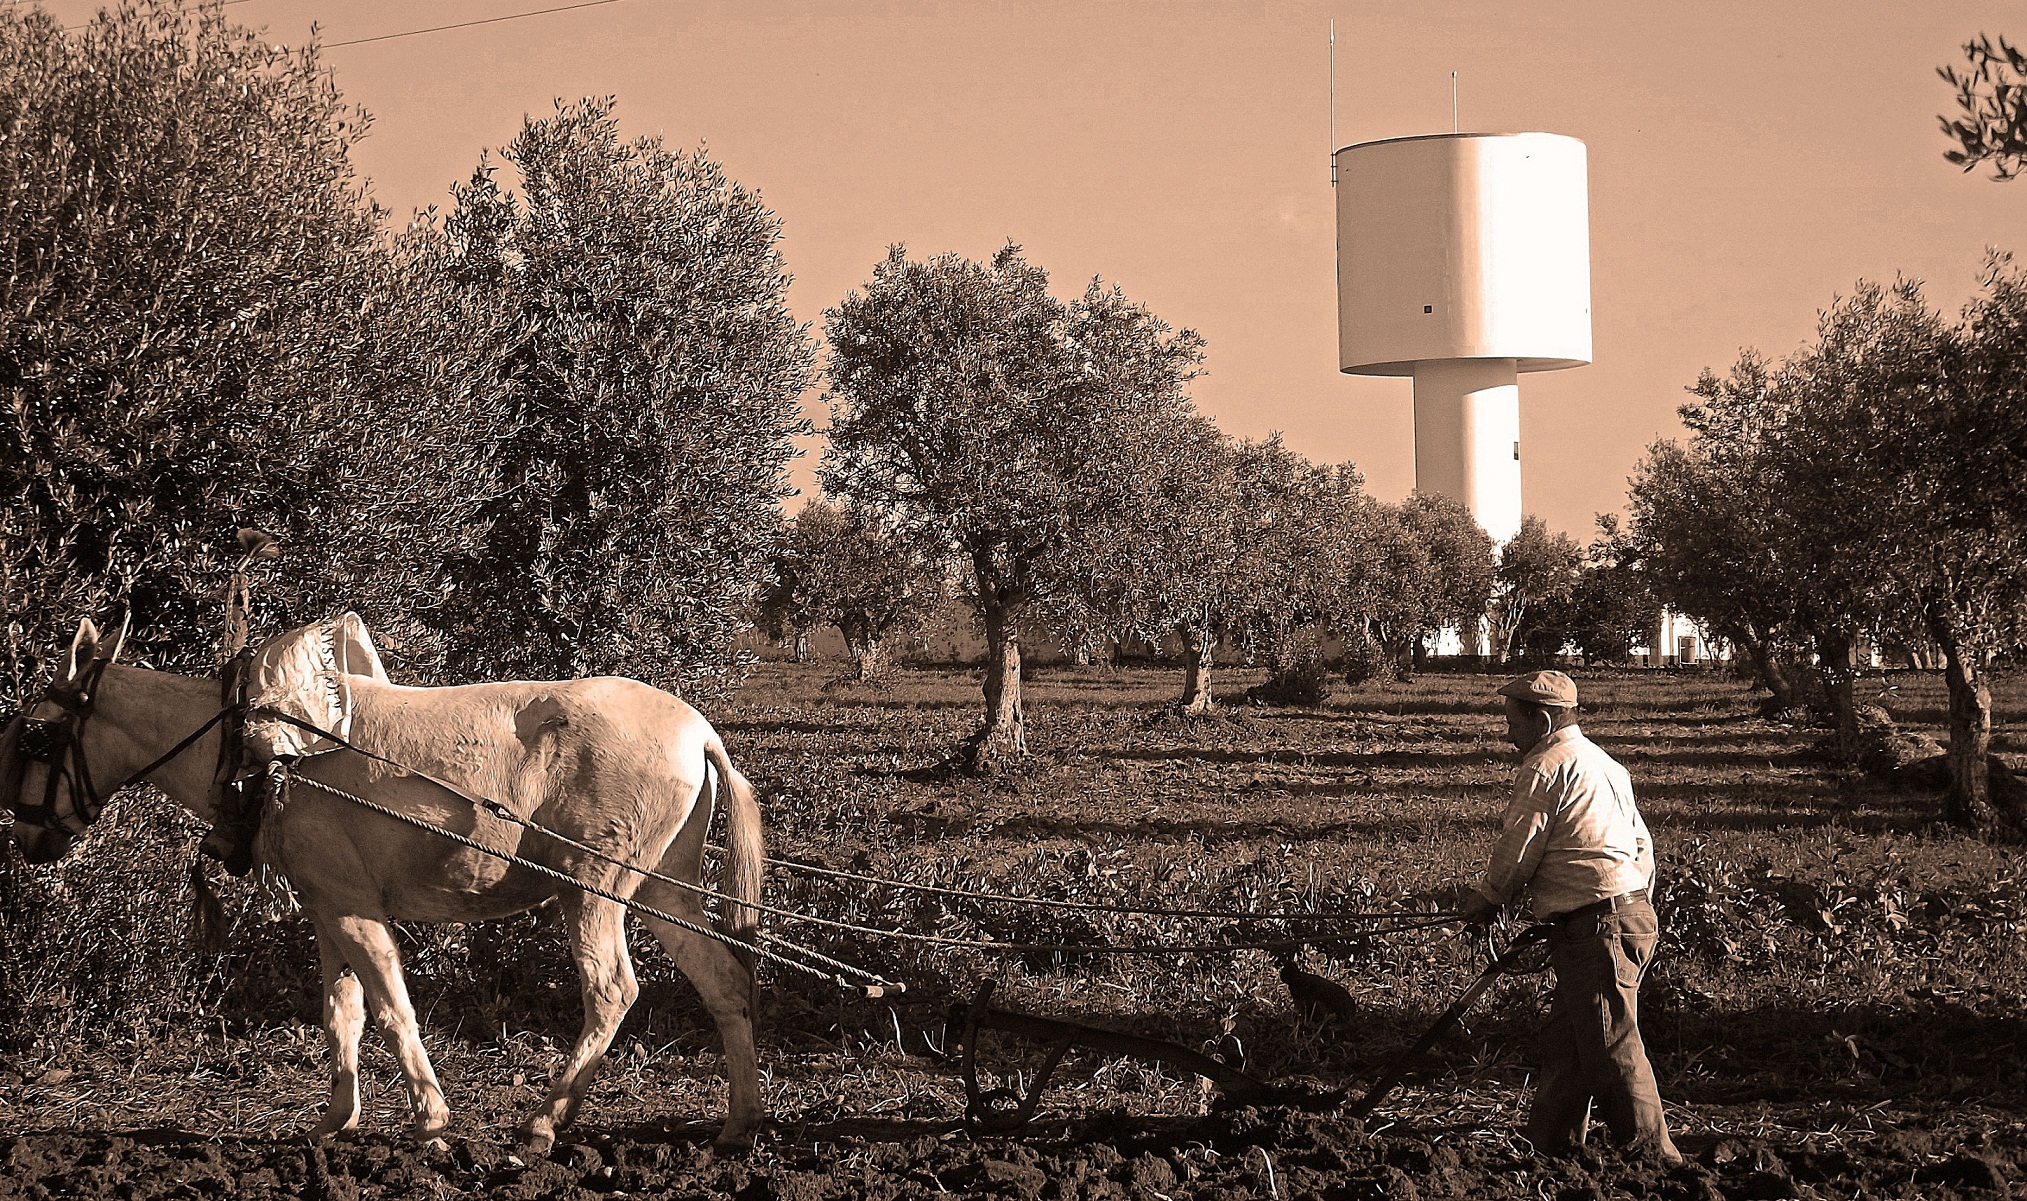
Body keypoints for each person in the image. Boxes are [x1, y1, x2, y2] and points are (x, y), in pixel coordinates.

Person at [1456, 670, 1684, 1167]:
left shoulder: (1546, 765)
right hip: (1625, 916)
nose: (1507, 733)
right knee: (1569, 1044)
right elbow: (1642, 845)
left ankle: (1659, 1164)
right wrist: (1622, 907)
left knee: (1610, 1047)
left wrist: (1489, 900)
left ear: (1540, 720)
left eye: (1512, 721)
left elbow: (1520, 847)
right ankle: (1549, 1152)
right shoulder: (1606, 765)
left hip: (1597, 926)